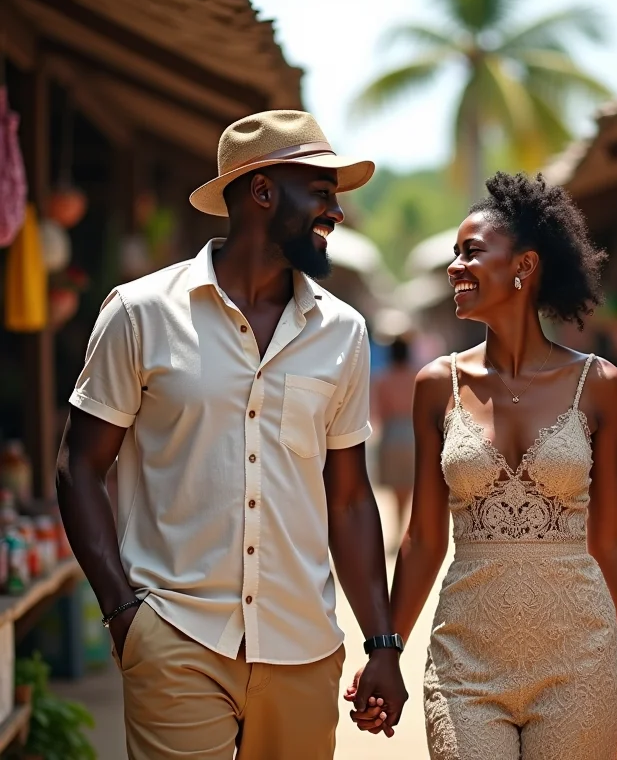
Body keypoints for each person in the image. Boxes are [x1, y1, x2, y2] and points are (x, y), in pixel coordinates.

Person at [56, 110, 407, 760]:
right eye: (321, 192)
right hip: (176, 637)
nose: (335, 211)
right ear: (262, 192)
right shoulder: (140, 314)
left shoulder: (345, 334)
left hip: (302, 647)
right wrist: (125, 616)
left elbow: (352, 498)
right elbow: (79, 467)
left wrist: (381, 643)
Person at [347, 172, 617, 759]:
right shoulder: (435, 385)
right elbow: (421, 539)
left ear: (525, 266)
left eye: (471, 251)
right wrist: (385, 651)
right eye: (454, 254)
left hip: (582, 662)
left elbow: (614, 538)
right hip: (464, 663)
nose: (455, 267)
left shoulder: (600, 386)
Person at [374, 336, 418, 544]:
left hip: (392, 434)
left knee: (395, 491)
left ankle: (399, 529)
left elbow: (380, 412)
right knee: (409, 488)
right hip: (412, 434)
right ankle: (406, 531)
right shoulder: (416, 376)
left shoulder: (383, 378)